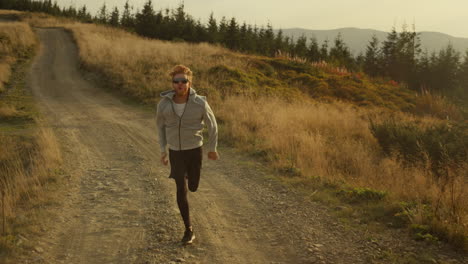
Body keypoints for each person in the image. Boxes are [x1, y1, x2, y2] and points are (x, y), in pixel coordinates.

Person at [156, 65, 219, 245]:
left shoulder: (199, 102)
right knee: (180, 188)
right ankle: (188, 229)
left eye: (183, 81)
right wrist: (163, 150)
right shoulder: (164, 104)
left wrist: (212, 148)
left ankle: (189, 179)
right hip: (175, 152)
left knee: (192, 186)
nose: (180, 84)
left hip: (194, 151)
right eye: (176, 81)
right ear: (172, 84)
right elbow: (160, 127)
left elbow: (212, 125)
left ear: (189, 83)